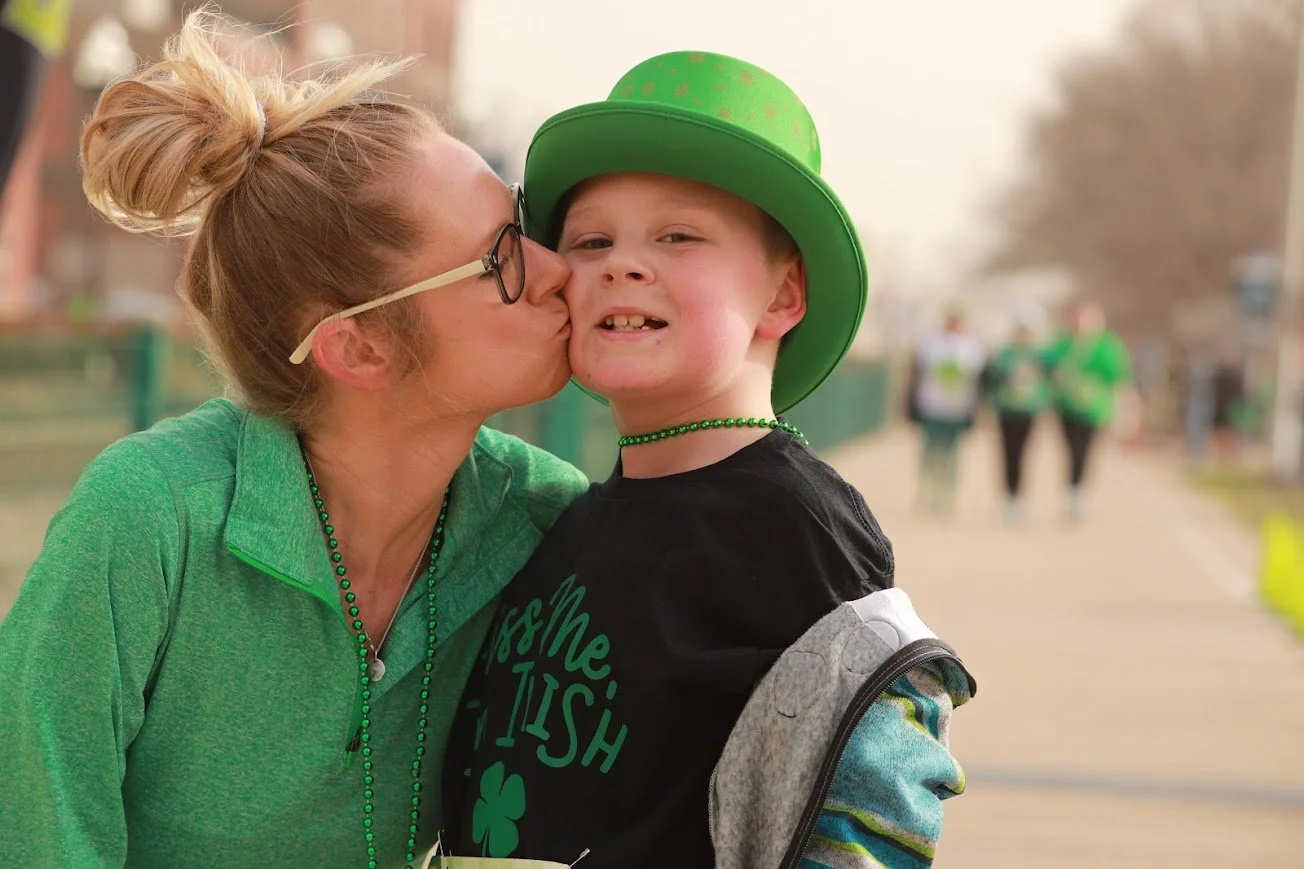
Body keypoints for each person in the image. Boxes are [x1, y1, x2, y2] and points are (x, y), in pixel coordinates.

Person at [0, 12, 588, 869]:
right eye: (501, 257)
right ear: (358, 346)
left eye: (524, 226)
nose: (559, 268)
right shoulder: (147, 523)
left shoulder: (544, 524)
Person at [441, 51, 974, 867]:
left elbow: (880, 796)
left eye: (679, 235)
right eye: (590, 239)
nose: (622, 261)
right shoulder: (567, 518)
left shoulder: (794, 524)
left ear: (783, 296)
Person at [1044, 300, 1134, 520]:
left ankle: (1077, 492)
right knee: (1069, 448)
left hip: (1093, 407)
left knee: (1083, 449)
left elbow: (1118, 375)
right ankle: (1071, 488)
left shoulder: (1106, 347)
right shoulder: (1063, 344)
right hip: (1066, 405)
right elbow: (1047, 367)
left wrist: (1125, 402)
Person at [906, 304, 988, 515]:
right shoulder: (929, 344)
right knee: (930, 452)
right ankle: (927, 493)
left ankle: (946, 496)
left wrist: (977, 410)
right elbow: (916, 374)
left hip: (958, 409)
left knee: (952, 455)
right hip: (932, 406)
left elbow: (979, 382)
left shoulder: (973, 347)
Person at [983, 304, 1050, 521]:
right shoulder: (1004, 354)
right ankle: (1008, 497)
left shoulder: (1039, 356)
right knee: (1007, 454)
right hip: (1006, 410)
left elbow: (1046, 382)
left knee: (1023, 454)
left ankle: (1019, 497)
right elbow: (992, 381)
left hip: (1028, 411)